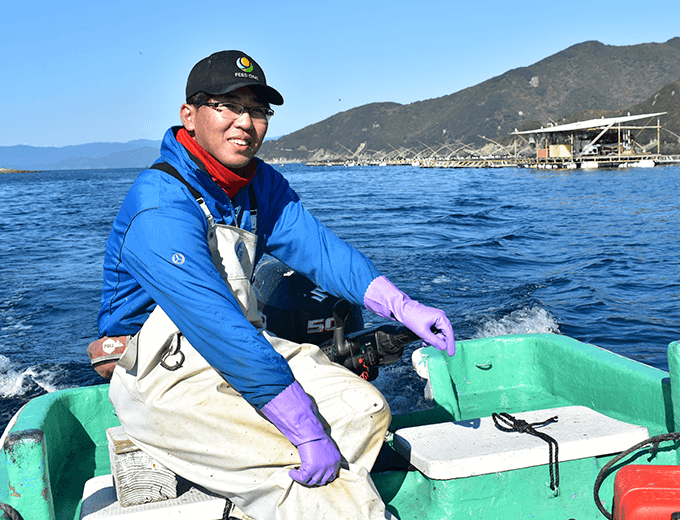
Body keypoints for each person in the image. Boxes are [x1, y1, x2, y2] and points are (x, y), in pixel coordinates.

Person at [96, 50, 456, 520]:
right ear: (190, 114)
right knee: (319, 487)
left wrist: (402, 305)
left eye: (258, 110)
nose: (245, 121)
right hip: (164, 370)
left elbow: (322, 252)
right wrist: (303, 426)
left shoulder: (258, 184)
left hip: (244, 345)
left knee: (365, 410)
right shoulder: (159, 203)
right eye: (228, 105)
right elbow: (215, 323)